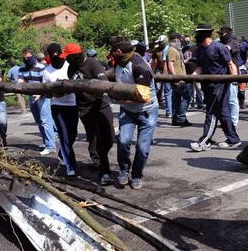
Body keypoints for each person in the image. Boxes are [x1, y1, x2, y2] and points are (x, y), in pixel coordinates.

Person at [108, 37, 158, 189]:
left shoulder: (139, 67)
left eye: (112, 51)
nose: (109, 54)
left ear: (118, 51)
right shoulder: (119, 62)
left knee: (142, 148)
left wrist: (115, 100)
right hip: (128, 111)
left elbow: (142, 97)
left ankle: (136, 175)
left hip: (146, 112)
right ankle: (124, 170)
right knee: (123, 141)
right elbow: (110, 75)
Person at [63, 43, 115, 185]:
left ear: (76, 56)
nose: (66, 59)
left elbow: (103, 83)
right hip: (84, 108)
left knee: (109, 137)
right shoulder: (70, 68)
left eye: (68, 56)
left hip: (101, 105)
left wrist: (92, 88)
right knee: (98, 138)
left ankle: (96, 154)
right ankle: (104, 170)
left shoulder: (93, 64)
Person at [190, 24, 241, 151]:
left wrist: (234, 80)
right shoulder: (200, 50)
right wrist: (189, 78)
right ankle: (233, 139)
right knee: (223, 113)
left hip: (220, 85)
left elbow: (230, 64)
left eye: (198, 34)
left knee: (211, 112)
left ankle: (205, 141)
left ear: (205, 34)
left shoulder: (219, 47)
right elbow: (199, 68)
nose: (196, 36)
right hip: (207, 85)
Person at [43, 43, 78, 177]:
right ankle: (71, 166)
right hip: (57, 106)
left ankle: (62, 153)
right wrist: (54, 93)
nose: (56, 57)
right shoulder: (47, 72)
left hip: (72, 104)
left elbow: (77, 84)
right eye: (53, 55)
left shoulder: (69, 66)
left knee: (72, 134)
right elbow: (46, 91)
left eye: (58, 54)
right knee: (64, 136)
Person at [18, 47, 56, 155]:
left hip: (43, 96)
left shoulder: (41, 68)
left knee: (45, 120)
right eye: (24, 58)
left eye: (28, 57)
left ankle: (51, 146)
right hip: (31, 96)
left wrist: (39, 94)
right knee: (39, 121)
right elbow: (20, 81)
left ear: (33, 56)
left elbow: (45, 83)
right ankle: (45, 142)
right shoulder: (22, 68)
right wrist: (19, 87)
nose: (26, 59)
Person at [218, 26, 243, 127]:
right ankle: (227, 121)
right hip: (222, 74)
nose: (220, 36)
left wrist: (214, 45)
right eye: (219, 34)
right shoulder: (221, 43)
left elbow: (225, 49)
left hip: (232, 74)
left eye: (222, 34)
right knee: (224, 99)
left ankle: (233, 121)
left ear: (228, 33)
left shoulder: (233, 42)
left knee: (232, 99)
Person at [167, 32, 192, 126]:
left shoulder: (176, 50)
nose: (181, 41)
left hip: (179, 78)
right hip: (178, 79)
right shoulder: (172, 50)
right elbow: (170, 64)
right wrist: (176, 78)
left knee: (177, 99)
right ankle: (181, 118)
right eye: (179, 40)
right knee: (187, 96)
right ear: (176, 40)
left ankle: (175, 119)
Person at [155, 35, 172, 118]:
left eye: (161, 42)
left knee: (168, 92)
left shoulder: (168, 49)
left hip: (167, 72)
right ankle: (169, 110)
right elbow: (154, 62)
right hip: (159, 71)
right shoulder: (157, 50)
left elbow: (168, 64)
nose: (160, 43)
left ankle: (170, 111)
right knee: (159, 88)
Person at [239, 37, 248, 108]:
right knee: (241, 85)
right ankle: (241, 101)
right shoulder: (244, 44)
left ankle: (241, 101)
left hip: (241, 67)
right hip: (241, 67)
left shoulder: (244, 44)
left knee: (241, 85)